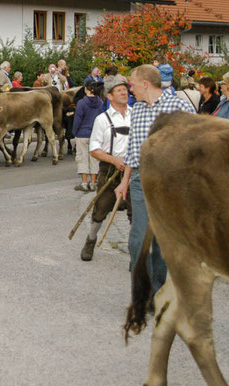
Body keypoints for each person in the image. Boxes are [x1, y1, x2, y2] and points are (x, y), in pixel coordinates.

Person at [114, 64, 196, 297]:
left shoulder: (177, 105)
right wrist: (124, 181)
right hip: (141, 179)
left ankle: (156, 292)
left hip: (168, 180)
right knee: (138, 238)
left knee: (160, 239)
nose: (130, 88)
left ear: (145, 84)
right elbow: (132, 149)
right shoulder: (137, 109)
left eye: (132, 83)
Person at [80, 76, 132, 261]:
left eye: (125, 89)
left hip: (133, 172)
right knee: (100, 210)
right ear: (109, 96)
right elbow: (94, 149)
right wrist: (114, 160)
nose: (124, 92)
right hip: (110, 171)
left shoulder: (136, 115)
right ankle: (91, 239)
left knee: (136, 214)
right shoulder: (102, 119)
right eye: (119, 90)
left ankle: (136, 250)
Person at [72, 80, 103, 192]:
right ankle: (93, 183)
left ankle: (84, 183)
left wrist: (74, 132)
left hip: (82, 134)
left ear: (86, 89)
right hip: (95, 134)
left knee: (82, 157)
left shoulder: (81, 103)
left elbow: (77, 120)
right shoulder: (100, 102)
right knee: (94, 158)